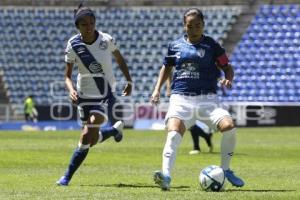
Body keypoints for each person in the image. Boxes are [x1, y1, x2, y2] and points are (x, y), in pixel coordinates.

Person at [151, 8, 244, 190]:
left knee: (229, 127)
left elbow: (227, 67)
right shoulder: (175, 45)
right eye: (190, 26)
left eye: (198, 25)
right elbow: (166, 67)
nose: (194, 29)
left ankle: (226, 170)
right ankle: (166, 176)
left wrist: (228, 79)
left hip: (207, 100)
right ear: (184, 26)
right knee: (173, 134)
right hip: (181, 99)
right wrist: (157, 90)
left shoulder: (212, 46)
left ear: (203, 25)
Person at [56, 3, 132, 186]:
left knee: (85, 134)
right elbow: (67, 76)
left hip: (105, 93)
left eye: (91, 23)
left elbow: (120, 60)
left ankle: (66, 176)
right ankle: (114, 130)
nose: (89, 27)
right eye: (84, 24)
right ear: (77, 27)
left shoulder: (106, 40)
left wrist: (128, 81)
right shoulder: (73, 44)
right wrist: (71, 90)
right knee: (91, 138)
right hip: (84, 95)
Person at [166, 70, 214, 155]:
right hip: (178, 93)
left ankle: (197, 146)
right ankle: (206, 138)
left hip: (193, 93)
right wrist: (169, 87)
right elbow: (168, 70)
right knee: (188, 123)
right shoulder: (176, 59)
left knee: (189, 122)